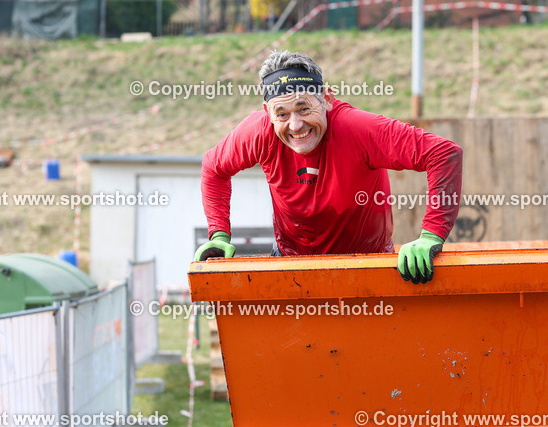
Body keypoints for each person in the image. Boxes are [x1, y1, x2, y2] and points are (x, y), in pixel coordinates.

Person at [194, 50, 463, 283]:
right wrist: (219, 235)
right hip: (292, 266)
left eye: (304, 108)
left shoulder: (357, 129)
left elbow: (443, 154)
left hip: (367, 266)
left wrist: (431, 235)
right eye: (282, 114)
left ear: (327, 98)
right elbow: (213, 168)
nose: (295, 125)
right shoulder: (259, 133)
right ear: (268, 113)